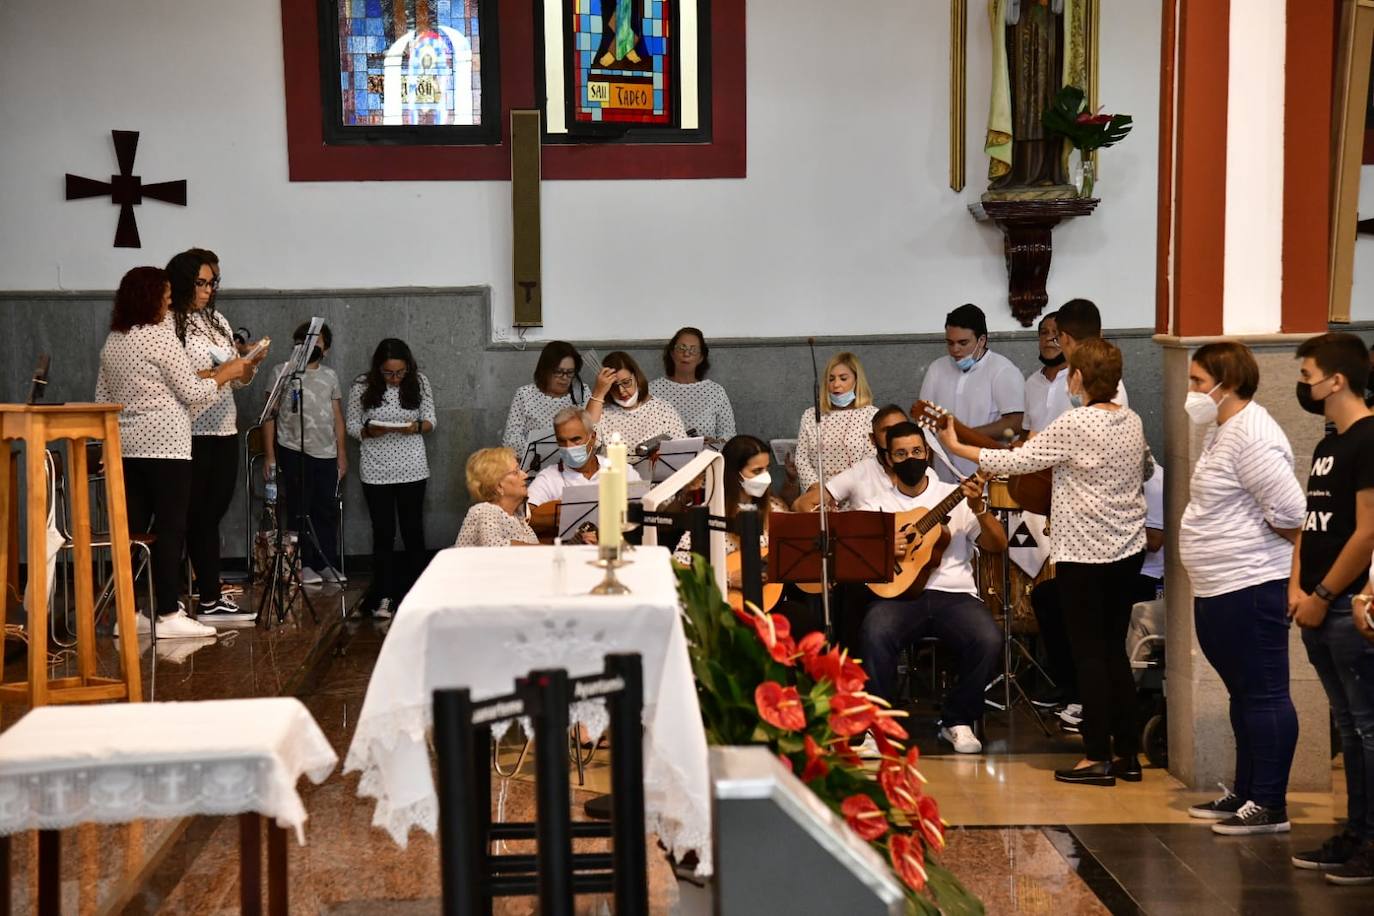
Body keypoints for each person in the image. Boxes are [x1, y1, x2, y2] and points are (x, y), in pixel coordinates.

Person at [941, 338, 1151, 785]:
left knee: (1089, 656)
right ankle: (1128, 755)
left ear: (1079, 377)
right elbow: (1147, 470)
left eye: (1072, 372)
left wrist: (959, 448)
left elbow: (1019, 460)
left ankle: (1096, 756)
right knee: (1112, 650)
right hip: (1127, 552)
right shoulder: (1131, 420)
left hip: (1085, 555)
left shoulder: (1076, 422)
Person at [1173, 342, 1305, 837]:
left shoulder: (1253, 435)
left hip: (1252, 584)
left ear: (1227, 384)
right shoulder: (1222, 427)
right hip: (1220, 584)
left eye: (1198, 383)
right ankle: (1248, 791)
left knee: (1265, 694)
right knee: (1242, 693)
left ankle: (1271, 804)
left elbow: (1292, 514)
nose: (1192, 392)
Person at [95, 266, 251, 637]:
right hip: (167, 447)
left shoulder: (114, 341)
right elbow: (192, 392)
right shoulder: (160, 336)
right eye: (165, 298)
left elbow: (102, 398)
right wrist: (226, 374)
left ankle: (129, 615)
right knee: (170, 530)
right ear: (149, 299)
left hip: (126, 447)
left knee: (132, 531)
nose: (169, 304)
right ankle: (167, 614)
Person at [852, 422, 1006, 755]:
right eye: (902, 454)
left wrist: (979, 507)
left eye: (918, 452)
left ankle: (957, 721)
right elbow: (857, 562)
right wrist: (881, 551)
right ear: (888, 460)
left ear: (928, 454)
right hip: (899, 597)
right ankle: (879, 728)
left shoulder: (955, 496)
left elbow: (997, 545)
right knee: (875, 631)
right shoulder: (873, 505)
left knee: (988, 638)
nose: (912, 458)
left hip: (955, 595)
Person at [1287, 332, 1374, 883]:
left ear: (1336, 380)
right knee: (1348, 723)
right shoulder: (1328, 444)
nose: (1303, 383)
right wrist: (1296, 586)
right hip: (1315, 602)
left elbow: (1367, 533)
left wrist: (1323, 595)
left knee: (1367, 728)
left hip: (1346, 606)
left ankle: (1371, 840)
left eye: (1307, 374)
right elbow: (1309, 524)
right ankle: (1355, 831)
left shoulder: (1369, 439)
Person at [166, 249, 266, 621]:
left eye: (213, 283)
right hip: (187, 428)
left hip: (223, 426)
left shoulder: (217, 320)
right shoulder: (169, 323)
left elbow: (236, 381)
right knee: (189, 514)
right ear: (182, 282)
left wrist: (246, 367)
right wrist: (223, 372)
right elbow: (178, 380)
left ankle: (210, 597)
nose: (209, 290)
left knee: (212, 513)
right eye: (202, 283)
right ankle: (177, 596)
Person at [673, 435, 819, 636]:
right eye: (757, 471)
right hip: (730, 608)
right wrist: (729, 578)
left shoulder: (774, 509)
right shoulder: (712, 514)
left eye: (767, 469)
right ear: (734, 475)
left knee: (803, 619)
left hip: (773, 604)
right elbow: (678, 568)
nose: (765, 477)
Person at [346, 338, 436, 619]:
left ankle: (418, 594)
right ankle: (383, 596)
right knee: (383, 533)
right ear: (378, 370)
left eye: (399, 373)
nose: (395, 379)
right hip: (376, 470)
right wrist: (368, 432)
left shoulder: (419, 382)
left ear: (408, 367)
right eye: (388, 374)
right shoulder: (362, 385)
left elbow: (431, 420)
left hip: (412, 468)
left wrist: (416, 427)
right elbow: (351, 424)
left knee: (413, 531)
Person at [263, 321, 347, 586]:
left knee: (325, 508)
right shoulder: (282, 372)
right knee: (299, 507)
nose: (311, 345)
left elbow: (337, 416)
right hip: (293, 449)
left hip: (326, 452)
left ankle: (325, 562)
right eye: (305, 340)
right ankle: (303, 564)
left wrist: (341, 453)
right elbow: (270, 416)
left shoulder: (330, 376)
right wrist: (270, 455)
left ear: (327, 348)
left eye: (317, 341)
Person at [917, 303, 1024, 475]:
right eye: (950, 343)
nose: (955, 350)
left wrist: (964, 436)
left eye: (963, 343)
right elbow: (923, 419)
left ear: (981, 340)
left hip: (985, 473)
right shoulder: (937, 368)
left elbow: (1016, 423)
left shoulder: (1003, 370)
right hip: (943, 474)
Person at [527, 407, 642, 542]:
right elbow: (525, 519)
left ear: (592, 437)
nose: (569, 447)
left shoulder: (622, 470)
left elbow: (645, 511)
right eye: (562, 441)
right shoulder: (548, 478)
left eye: (576, 439)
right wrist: (563, 515)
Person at [792, 404, 907, 511]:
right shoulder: (860, 472)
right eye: (887, 430)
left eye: (901, 428)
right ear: (873, 439)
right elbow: (801, 504)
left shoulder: (924, 474)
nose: (895, 435)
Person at [795, 352, 879, 492]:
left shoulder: (870, 415)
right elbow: (801, 458)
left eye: (843, 378)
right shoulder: (811, 415)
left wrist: (838, 492)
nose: (836, 384)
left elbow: (871, 460)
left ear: (857, 381)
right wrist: (818, 491)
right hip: (818, 497)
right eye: (831, 379)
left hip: (856, 494)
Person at [586, 351, 687, 451]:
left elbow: (683, 448)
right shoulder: (602, 413)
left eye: (626, 382)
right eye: (613, 386)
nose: (621, 391)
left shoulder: (662, 409)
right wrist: (598, 393)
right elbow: (588, 445)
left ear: (636, 377)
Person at [649, 327, 736, 443]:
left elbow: (729, 434)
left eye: (693, 350)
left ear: (701, 358)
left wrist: (716, 442)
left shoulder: (715, 392)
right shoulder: (652, 390)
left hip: (707, 457)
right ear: (672, 353)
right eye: (681, 348)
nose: (686, 354)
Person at [502, 340, 584, 452]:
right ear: (545, 371)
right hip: (535, 463)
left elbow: (592, 431)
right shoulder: (525, 394)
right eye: (558, 372)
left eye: (570, 372)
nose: (564, 378)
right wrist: (541, 450)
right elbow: (510, 440)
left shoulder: (581, 393)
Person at [1048, 298, 1128, 412]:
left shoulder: (1100, 383)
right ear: (1101, 334)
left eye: (1057, 338)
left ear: (1065, 338)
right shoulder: (1110, 380)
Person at [456, 448, 538, 547]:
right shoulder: (484, 510)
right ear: (498, 486)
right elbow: (494, 546)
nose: (525, 475)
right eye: (516, 472)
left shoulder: (519, 518)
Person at [1023, 311, 1068, 433]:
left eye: (1056, 333)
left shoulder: (1085, 379)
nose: (1048, 338)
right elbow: (1026, 432)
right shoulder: (1032, 382)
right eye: (1044, 333)